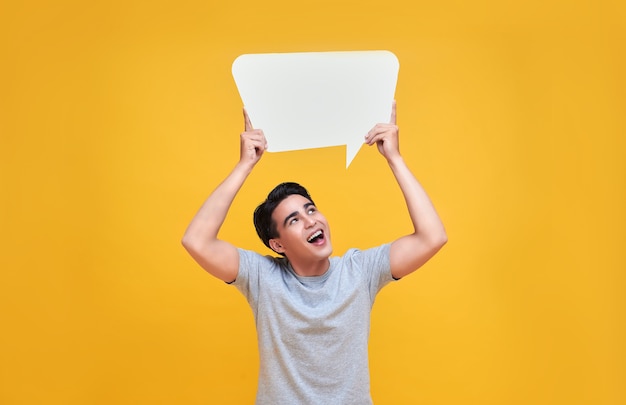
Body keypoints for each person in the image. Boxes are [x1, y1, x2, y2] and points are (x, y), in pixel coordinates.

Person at [182, 101, 447, 404]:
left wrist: (394, 158)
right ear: (277, 245)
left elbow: (433, 237)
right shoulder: (262, 277)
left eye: (311, 209)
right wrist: (244, 166)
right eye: (294, 220)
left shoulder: (359, 271)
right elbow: (197, 241)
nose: (311, 220)